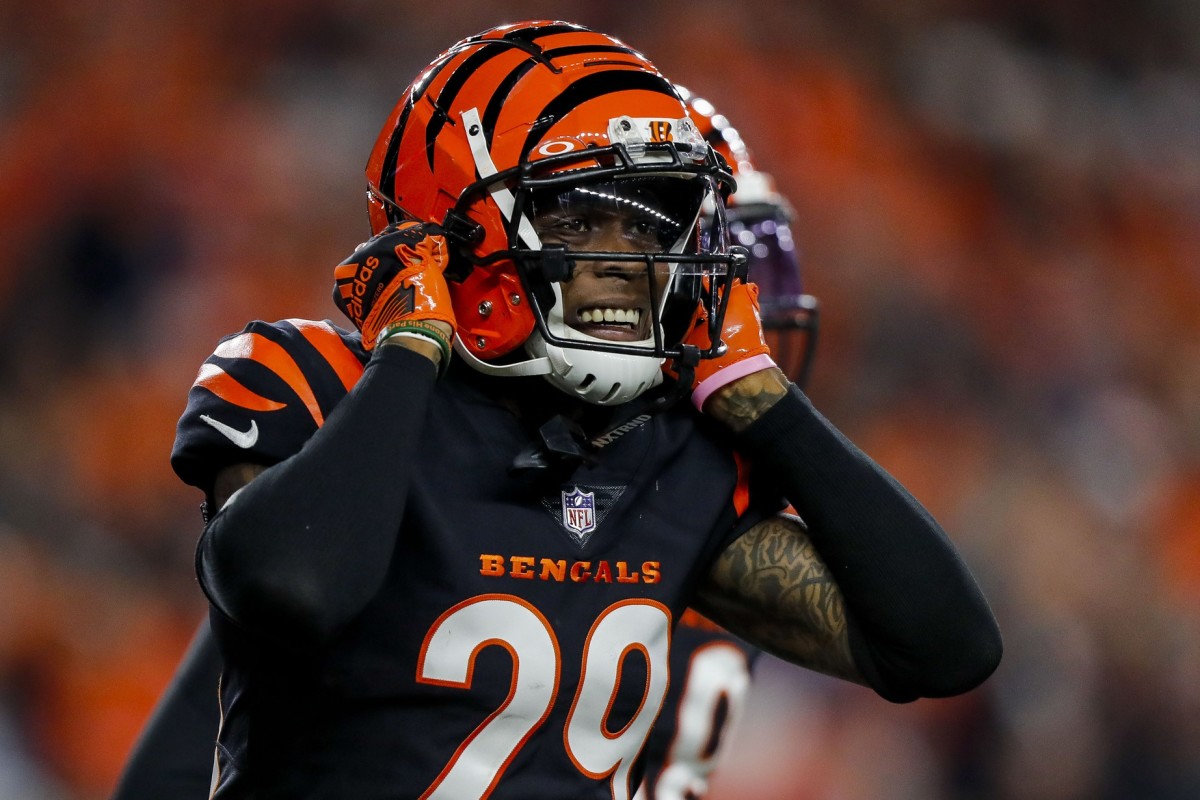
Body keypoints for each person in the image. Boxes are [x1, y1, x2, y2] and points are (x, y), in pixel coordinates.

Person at [132, 19, 1003, 799]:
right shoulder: (309, 375)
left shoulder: (668, 457)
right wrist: (409, 350)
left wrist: (762, 398)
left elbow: (943, 647)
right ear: (452, 225)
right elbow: (292, 587)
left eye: (649, 226)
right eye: (582, 220)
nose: (628, 260)